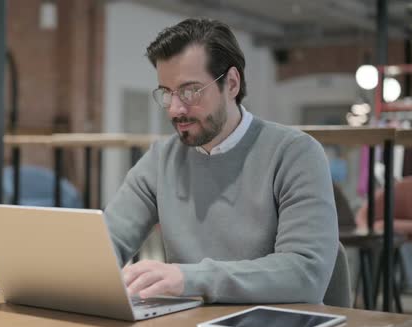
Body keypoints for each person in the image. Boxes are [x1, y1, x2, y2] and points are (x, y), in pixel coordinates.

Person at [103, 18, 338, 304]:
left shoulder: (294, 154)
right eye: (166, 93)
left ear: (232, 83)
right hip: (193, 321)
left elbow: (306, 273)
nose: (176, 109)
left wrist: (189, 279)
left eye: (190, 91)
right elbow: (105, 245)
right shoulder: (160, 161)